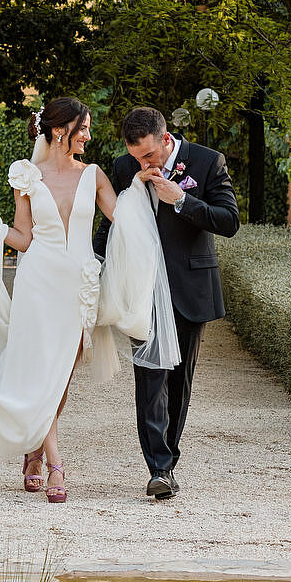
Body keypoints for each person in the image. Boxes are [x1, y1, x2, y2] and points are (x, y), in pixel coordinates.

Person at [0, 97, 177, 504]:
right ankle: (56, 462)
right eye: (84, 128)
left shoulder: (94, 175)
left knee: (60, 375)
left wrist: (145, 184)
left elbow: (124, 221)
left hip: (78, 287)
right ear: (60, 130)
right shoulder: (26, 176)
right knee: (41, 370)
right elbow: (23, 237)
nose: (89, 135)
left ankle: (33, 450)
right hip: (37, 283)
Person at [94, 106, 239, 500]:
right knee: (149, 377)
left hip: (189, 288)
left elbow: (228, 221)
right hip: (141, 290)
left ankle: (168, 460)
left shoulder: (208, 162)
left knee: (179, 382)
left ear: (166, 139)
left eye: (149, 156)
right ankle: (158, 468)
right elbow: (113, 222)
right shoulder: (125, 167)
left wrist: (182, 200)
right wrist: (96, 263)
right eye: (137, 156)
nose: (143, 162)